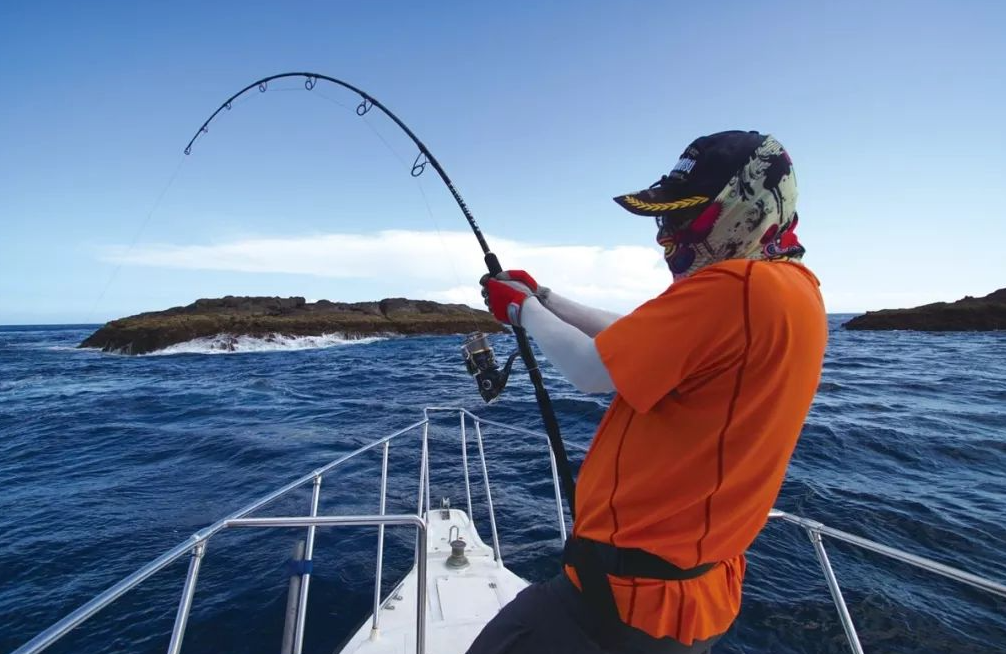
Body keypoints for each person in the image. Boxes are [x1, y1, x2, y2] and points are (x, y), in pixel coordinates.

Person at [468, 130, 828, 653]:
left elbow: (595, 370)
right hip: (692, 596)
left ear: (744, 205)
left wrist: (520, 311)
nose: (667, 235)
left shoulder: (736, 287)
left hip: (627, 598)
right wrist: (547, 297)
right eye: (665, 218)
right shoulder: (794, 292)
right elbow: (635, 338)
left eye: (684, 216)